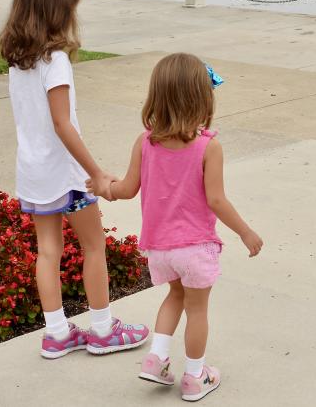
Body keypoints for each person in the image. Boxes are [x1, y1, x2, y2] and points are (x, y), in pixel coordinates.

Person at [87, 53, 263, 401]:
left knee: (174, 297)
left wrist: (105, 186)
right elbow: (216, 200)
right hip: (196, 247)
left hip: (160, 249)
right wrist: (245, 231)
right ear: (202, 100)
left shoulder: (146, 142)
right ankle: (196, 377)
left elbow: (125, 189)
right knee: (197, 310)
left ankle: (156, 359)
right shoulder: (208, 147)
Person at [0, 0, 149, 359]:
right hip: (68, 175)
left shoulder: (18, 61)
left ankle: (58, 334)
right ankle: (102, 329)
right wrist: (95, 172)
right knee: (93, 245)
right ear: (56, 9)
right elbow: (63, 125)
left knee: (48, 251)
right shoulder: (55, 62)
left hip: (33, 171)